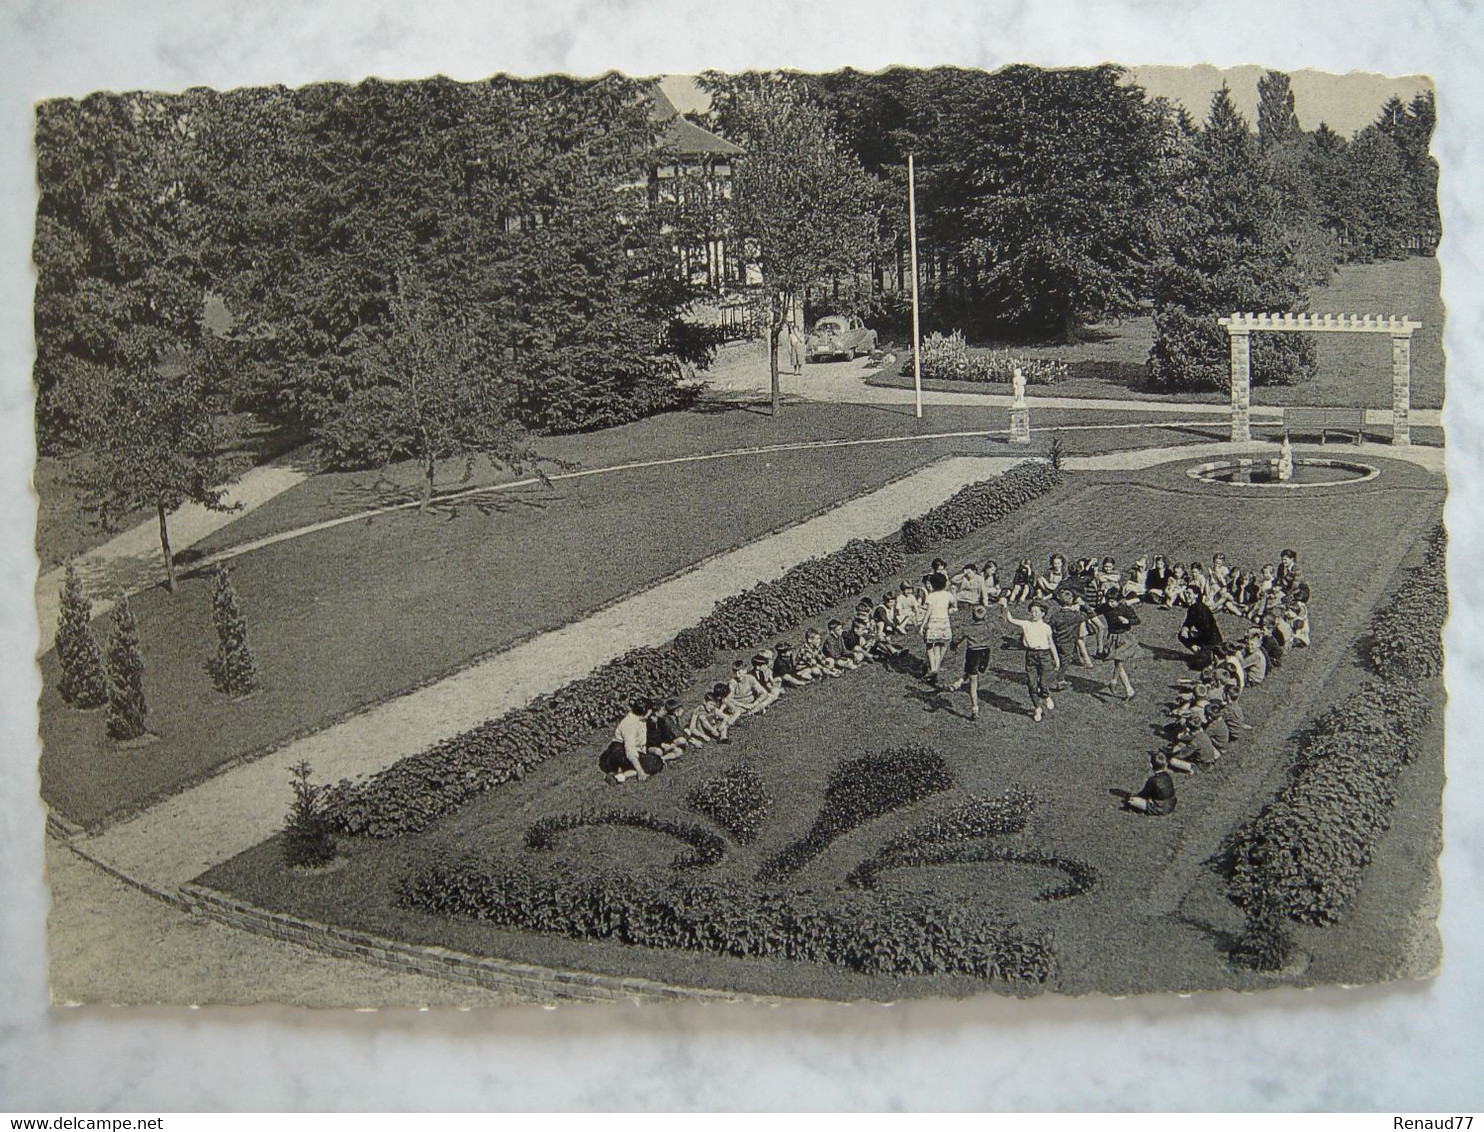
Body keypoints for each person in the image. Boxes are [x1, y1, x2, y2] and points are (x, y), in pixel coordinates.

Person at [1000, 596, 1059, 722]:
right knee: (1032, 684)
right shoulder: (1026, 624)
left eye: (1037, 612)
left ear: (1043, 614)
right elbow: (1010, 619)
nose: (1034, 614)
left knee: (1043, 683)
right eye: (1032, 611)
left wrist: (1056, 659)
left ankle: (1046, 695)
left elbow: (1051, 644)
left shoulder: (1046, 627)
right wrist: (1004, 605)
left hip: (1044, 656)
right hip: (1031, 656)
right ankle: (1037, 708)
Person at [948, 604, 995, 719]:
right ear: (986, 616)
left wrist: (953, 646)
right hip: (985, 654)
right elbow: (1001, 622)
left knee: (973, 680)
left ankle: (975, 709)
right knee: (975, 675)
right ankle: (958, 683)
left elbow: (956, 639)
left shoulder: (968, 628)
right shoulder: (989, 626)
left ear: (972, 617)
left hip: (973, 654)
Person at [599, 698, 661, 783]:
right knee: (654, 763)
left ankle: (621, 772)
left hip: (629, 750)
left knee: (654, 761)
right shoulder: (630, 724)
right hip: (619, 751)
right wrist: (639, 770)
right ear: (645, 711)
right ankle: (619, 776)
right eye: (650, 710)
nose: (651, 712)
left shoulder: (641, 719)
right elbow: (630, 750)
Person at [1101, 588, 1142, 700]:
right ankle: (1115, 682)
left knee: (1119, 661)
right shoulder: (1105, 608)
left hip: (1125, 638)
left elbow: (1137, 620)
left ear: (1119, 600)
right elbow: (1094, 611)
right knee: (1118, 662)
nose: (1110, 603)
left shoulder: (1124, 608)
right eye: (1108, 600)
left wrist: (1127, 621)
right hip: (1113, 637)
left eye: (1113, 601)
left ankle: (1128, 690)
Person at [1047, 588, 1094, 675]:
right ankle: (1060, 679)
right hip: (1069, 642)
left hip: (1057, 640)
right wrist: (1083, 605)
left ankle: (1054, 674)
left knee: (1057, 658)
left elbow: (1049, 626)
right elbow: (1091, 614)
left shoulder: (1056, 615)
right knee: (1064, 662)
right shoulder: (1076, 615)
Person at [920, 573, 957, 680]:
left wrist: (923, 625)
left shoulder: (931, 596)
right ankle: (937, 666)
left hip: (933, 623)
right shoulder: (947, 595)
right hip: (945, 623)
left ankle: (933, 668)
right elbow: (954, 605)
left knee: (930, 646)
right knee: (942, 644)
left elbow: (929, 611)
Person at [1178, 590, 1223, 666]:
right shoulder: (1192, 608)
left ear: (1196, 595)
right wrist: (1185, 628)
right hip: (1203, 638)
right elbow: (1188, 621)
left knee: (1198, 664)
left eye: (1189, 593)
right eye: (1185, 593)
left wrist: (1196, 635)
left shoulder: (1201, 608)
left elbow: (1208, 629)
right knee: (1181, 635)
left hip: (1211, 641)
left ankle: (1205, 654)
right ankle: (1198, 653)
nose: (1186, 595)